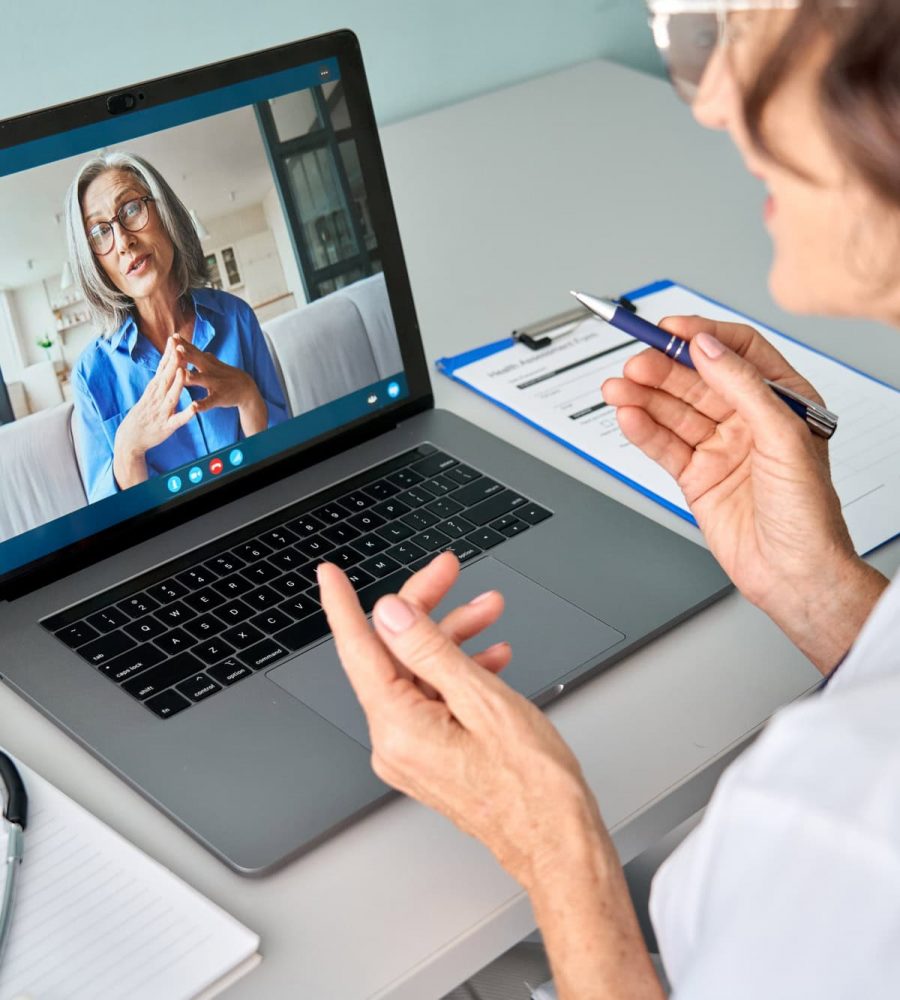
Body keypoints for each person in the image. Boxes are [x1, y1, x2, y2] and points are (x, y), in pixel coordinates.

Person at [317, 1, 900, 997]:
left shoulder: (842, 834)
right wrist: (820, 593)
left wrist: (551, 843)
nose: (713, 103)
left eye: (756, 31)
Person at [66, 152, 289, 502]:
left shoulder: (237, 318)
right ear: (93, 261)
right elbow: (113, 520)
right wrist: (127, 449)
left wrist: (248, 396)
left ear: (165, 213)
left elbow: (287, 458)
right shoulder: (90, 374)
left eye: (131, 209)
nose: (123, 242)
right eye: (99, 232)